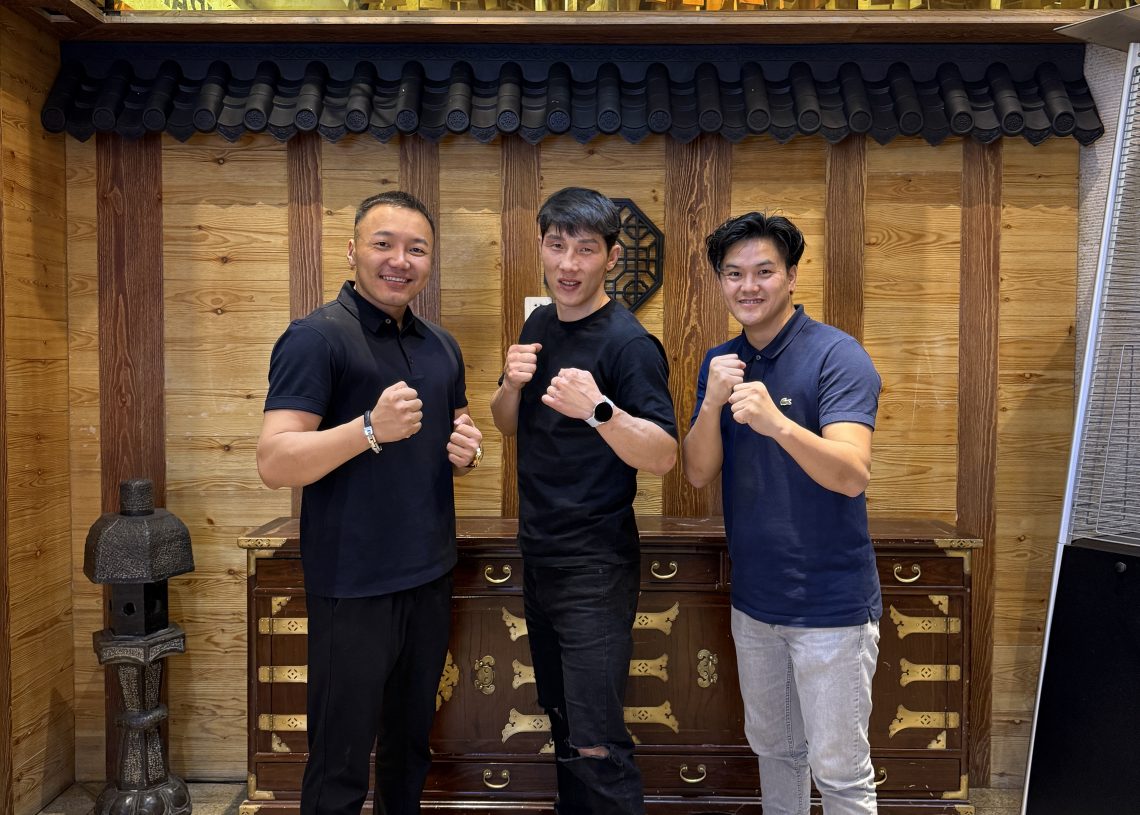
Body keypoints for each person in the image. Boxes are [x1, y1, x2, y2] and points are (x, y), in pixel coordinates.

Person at [256, 191, 483, 815]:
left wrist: (468, 449)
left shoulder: (441, 345)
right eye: (384, 244)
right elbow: (275, 461)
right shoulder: (316, 337)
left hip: (430, 573)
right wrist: (368, 430)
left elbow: (456, 433)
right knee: (340, 760)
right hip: (352, 583)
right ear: (353, 249)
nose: (399, 260)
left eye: (416, 249)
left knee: (411, 750)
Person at [682, 212, 882, 815]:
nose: (749, 286)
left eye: (764, 271)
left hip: (831, 608)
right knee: (776, 754)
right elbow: (695, 471)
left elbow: (852, 474)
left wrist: (777, 425)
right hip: (756, 604)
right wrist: (713, 401)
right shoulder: (722, 361)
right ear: (720, 282)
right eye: (734, 273)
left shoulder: (837, 356)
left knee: (840, 772)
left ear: (792, 276)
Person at [490, 187, 678, 815]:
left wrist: (599, 411)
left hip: (596, 566)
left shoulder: (628, 344)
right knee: (565, 723)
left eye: (586, 250)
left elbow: (663, 454)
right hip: (540, 556)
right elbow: (507, 424)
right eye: (556, 245)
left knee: (597, 740)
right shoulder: (540, 322)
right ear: (541, 246)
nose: (568, 264)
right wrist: (510, 384)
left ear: (612, 257)